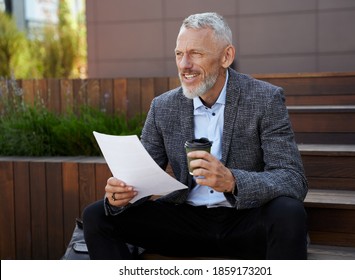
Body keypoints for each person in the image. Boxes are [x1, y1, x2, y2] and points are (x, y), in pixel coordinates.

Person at [83, 12, 308, 260]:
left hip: (244, 220)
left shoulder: (265, 99)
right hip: (186, 222)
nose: (184, 65)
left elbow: (292, 179)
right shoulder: (163, 106)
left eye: (196, 54)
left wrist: (233, 181)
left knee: (289, 212)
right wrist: (120, 196)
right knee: (97, 216)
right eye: (179, 54)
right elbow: (142, 177)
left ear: (226, 56)